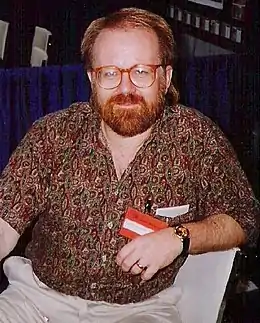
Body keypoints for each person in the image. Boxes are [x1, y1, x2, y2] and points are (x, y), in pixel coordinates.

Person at [0, 7, 259, 323]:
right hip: (34, 301)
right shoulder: (52, 135)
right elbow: (4, 223)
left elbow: (244, 218)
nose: (126, 89)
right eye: (110, 72)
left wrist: (179, 237)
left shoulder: (197, 138)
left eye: (141, 71)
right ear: (92, 80)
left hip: (142, 310)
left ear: (164, 78)